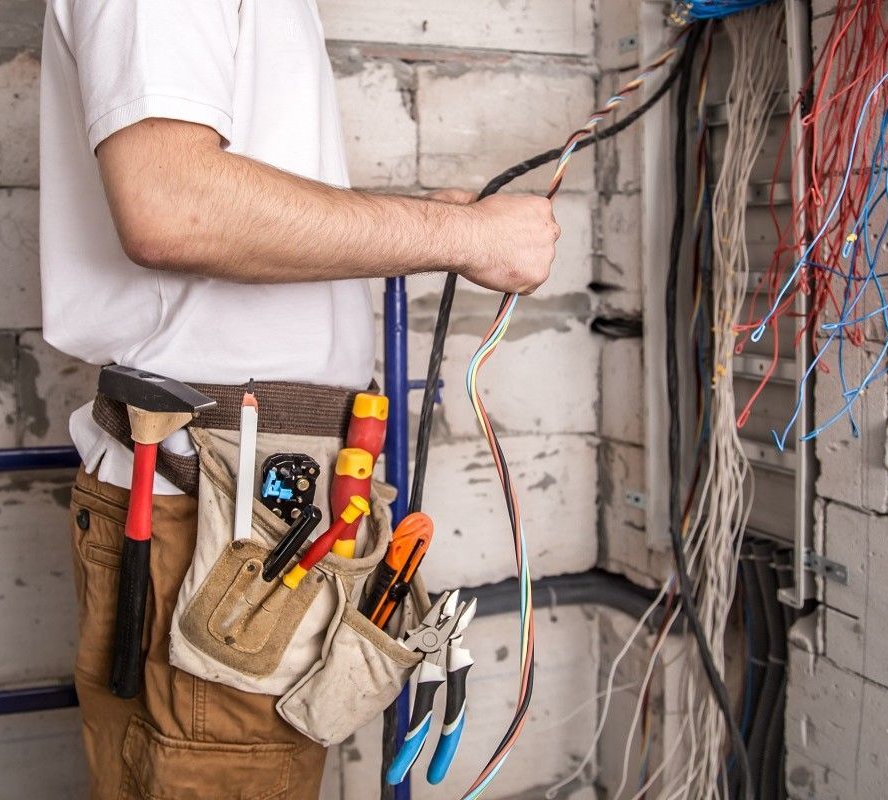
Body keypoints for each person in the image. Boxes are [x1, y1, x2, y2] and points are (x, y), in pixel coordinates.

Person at [39, 1, 559, 797]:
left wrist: (426, 224)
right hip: (212, 501)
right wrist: (468, 239)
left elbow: (224, 196)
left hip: (256, 498)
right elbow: (174, 208)